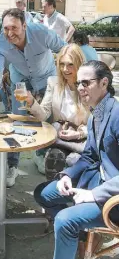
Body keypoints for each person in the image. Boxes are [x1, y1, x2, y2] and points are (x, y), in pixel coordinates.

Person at [34, 60, 119, 259]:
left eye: (86, 83)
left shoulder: (116, 115)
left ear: (104, 83)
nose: (80, 88)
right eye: (78, 83)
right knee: (43, 193)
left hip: (113, 199)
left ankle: (75, 230)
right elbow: (90, 156)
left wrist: (94, 194)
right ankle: (79, 237)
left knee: (65, 220)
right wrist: (66, 175)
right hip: (95, 183)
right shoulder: (95, 114)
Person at [0, 8, 66, 187]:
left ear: (24, 25)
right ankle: (12, 165)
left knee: (45, 122)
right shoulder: (0, 43)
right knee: (17, 122)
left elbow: (64, 50)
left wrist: (65, 78)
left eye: (14, 28)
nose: (9, 33)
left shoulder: (41, 32)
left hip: (46, 80)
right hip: (20, 83)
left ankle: (40, 156)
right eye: (5, 28)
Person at [22, 44, 90, 178]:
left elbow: (97, 122)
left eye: (70, 64)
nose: (65, 69)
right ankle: (53, 192)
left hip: (82, 138)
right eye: (61, 64)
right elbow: (43, 115)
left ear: (80, 64)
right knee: (54, 160)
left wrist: (78, 134)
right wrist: (31, 102)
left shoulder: (89, 86)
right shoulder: (53, 82)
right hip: (60, 137)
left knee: (74, 161)